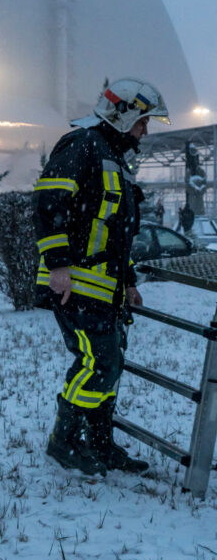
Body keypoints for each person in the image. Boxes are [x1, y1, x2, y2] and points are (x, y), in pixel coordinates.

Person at [33, 78, 170, 476]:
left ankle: (100, 443)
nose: (145, 130)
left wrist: (127, 282)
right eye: (143, 121)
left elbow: (117, 232)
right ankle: (63, 442)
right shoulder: (82, 145)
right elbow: (48, 202)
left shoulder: (113, 156)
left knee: (109, 364)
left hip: (105, 286)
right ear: (122, 115)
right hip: (76, 282)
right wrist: (58, 265)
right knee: (100, 364)